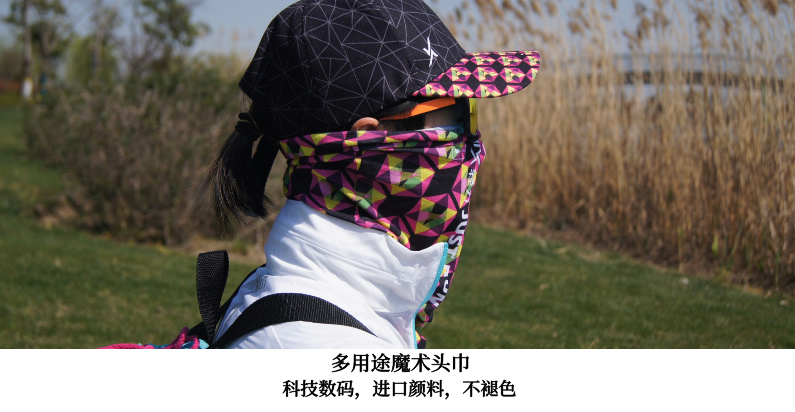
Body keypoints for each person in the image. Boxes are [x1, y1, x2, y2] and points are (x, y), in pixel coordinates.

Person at [206, 0, 541, 348]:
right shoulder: (323, 345)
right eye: (460, 111)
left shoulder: (307, 296)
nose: (470, 140)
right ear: (371, 139)